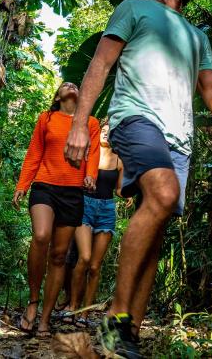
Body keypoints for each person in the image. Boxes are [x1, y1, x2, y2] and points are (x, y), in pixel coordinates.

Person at [64, 0, 212, 358]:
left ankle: (128, 335)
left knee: (156, 231)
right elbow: (100, 64)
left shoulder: (197, 35)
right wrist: (80, 124)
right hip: (135, 117)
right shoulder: (135, 7)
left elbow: (211, 86)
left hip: (179, 138)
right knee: (165, 193)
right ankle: (115, 318)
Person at [13, 82, 100, 337]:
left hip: (73, 192)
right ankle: (32, 302)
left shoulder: (90, 124)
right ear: (57, 96)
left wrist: (91, 175)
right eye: (65, 84)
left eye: (74, 84)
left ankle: (45, 318)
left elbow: (93, 153)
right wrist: (22, 185)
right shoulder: (46, 118)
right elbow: (34, 153)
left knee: (60, 256)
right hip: (44, 186)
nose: (70, 84)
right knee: (41, 236)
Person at [60, 121, 128, 327]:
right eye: (103, 131)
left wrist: (131, 193)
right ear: (96, 134)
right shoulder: (88, 155)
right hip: (86, 206)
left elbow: (120, 190)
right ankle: (72, 306)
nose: (106, 135)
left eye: (109, 132)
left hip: (107, 210)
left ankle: (85, 314)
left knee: (96, 266)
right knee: (84, 258)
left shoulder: (119, 160)